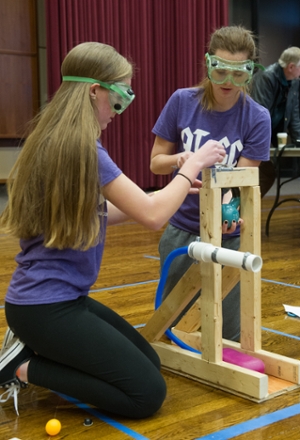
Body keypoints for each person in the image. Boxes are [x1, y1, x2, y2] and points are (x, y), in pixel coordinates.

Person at [0, 42, 226, 418]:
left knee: (147, 363)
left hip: (51, 302)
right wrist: (194, 164)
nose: (118, 112)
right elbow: (153, 217)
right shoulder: (85, 149)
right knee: (146, 394)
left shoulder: (58, 138)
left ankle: (37, 351)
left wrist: (171, 189)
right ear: (94, 91)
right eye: (119, 100)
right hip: (45, 307)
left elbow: (105, 210)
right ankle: (22, 367)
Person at [150, 26, 271, 341]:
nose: (228, 82)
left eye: (238, 74)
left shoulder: (257, 117)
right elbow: (155, 162)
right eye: (220, 71)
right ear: (208, 64)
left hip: (227, 235)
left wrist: (228, 216)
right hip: (181, 228)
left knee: (226, 334)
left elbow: (242, 181)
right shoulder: (182, 101)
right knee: (170, 326)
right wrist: (183, 161)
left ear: (250, 73)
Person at [251, 46, 300, 197]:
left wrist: (298, 138)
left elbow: (294, 113)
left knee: (267, 175)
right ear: (291, 67)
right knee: (265, 175)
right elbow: (259, 114)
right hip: (254, 137)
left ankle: (247, 208)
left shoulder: (294, 82)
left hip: (273, 135)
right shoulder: (266, 77)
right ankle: (244, 209)